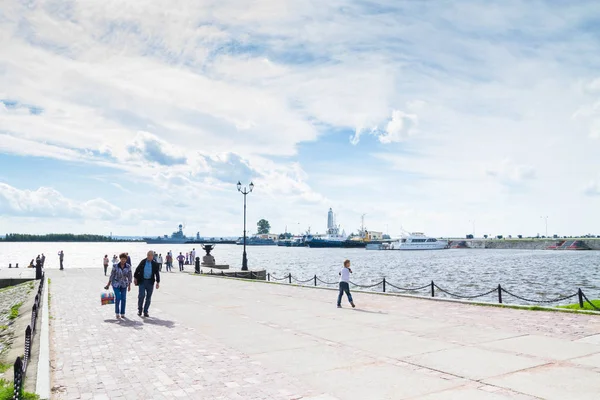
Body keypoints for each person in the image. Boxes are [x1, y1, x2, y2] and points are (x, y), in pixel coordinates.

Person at [104, 253, 132, 319]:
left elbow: (130, 276)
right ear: (120, 259)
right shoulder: (115, 266)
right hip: (116, 284)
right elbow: (112, 275)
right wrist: (108, 284)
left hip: (124, 285)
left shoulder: (128, 266)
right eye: (122, 259)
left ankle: (122, 313)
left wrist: (129, 286)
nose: (123, 260)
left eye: (125, 259)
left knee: (124, 299)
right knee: (118, 297)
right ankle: (117, 313)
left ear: (126, 259)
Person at [134, 251, 160, 317]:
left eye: (150, 255)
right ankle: (140, 310)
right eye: (148, 255)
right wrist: (135, 278)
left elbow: (157, 273)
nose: (148, 256)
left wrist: (158, 282)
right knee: (141, 296)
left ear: (152, 256)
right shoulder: (143, 262)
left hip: (150, 282)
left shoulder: (155, 264)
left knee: (148, 297)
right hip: (142, 281)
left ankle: (145, 311)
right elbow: (137, 270)